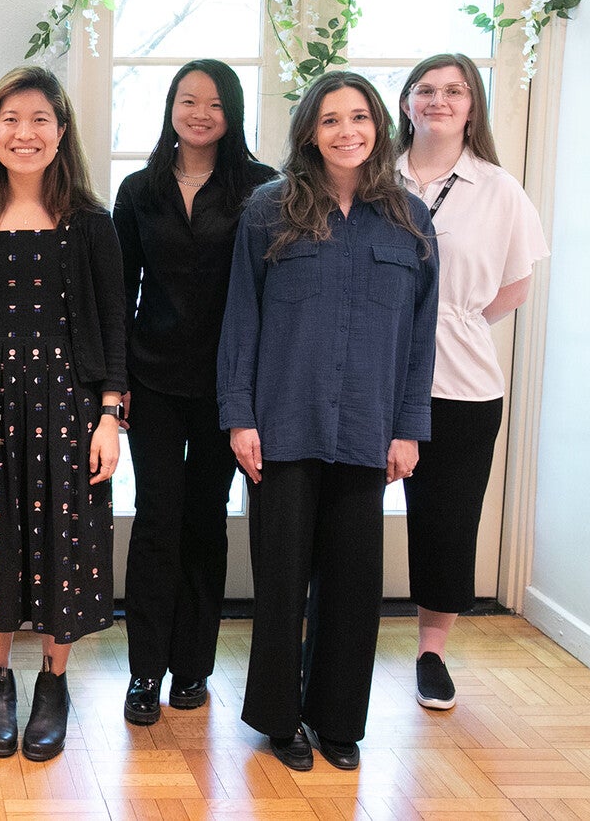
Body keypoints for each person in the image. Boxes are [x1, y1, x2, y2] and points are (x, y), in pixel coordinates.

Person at [218, 71, 438, 773]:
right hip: (282, 424)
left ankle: (338, 719)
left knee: (353, 584)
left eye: (361, 118)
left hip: (369, 429)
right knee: (281, 582)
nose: (348, 131)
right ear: (310, 130)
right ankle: (281, 721)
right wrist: (239, 416)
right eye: (332, 119)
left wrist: (408, 427)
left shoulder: (410, 218)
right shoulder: (267, 210)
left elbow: (421, 335)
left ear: (379, 126)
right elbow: (241, 321)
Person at [0, 65, 126, 762]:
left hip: (71, 412)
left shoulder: (92, 225)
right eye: (11, 119)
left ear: (61, 131)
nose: (25, 132)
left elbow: (113, 331)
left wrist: (110, 418)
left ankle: (52, 682)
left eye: (40, 118)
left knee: (63, 543)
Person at [114, 60, 276, 726]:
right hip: (152, 380)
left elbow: (273, 297)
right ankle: (145, 671)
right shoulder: (139, 189)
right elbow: (119, 293)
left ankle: (193, 669)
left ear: (231, 112)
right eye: (188, 100)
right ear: (171, 108)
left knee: (206, 520)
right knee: (156, 518)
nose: (200, 112)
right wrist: (114, 386)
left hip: (228, 385)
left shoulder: (263, 190)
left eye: (214, 102)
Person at [394, 53, 548, 711]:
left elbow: (513, 286)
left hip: (462, 384)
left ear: (472, 106)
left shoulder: (498, 189)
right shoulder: (376, 175)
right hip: (372, 376)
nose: (438, 100)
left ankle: (432, 652)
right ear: (405, 103)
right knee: (339, 514)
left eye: (453, 91)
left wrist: (447, 322)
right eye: (425, 89)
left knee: (448, 524)